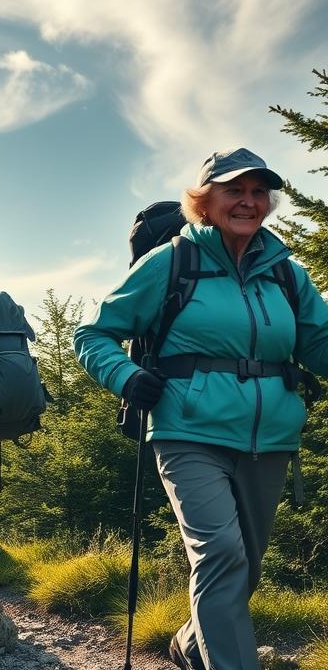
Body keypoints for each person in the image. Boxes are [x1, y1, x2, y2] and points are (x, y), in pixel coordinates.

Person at [74, 148, 328, 670]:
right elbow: (93, 334)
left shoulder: (286, 273)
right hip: (189, 433)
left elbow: (319, 343)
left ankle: (192, 643)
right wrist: (125, 376)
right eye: (235, 190)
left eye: (259, 192)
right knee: (222, 556)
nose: (249, 202)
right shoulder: (172, 261)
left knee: (244, 570)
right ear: (205, 201)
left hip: (270, 440)